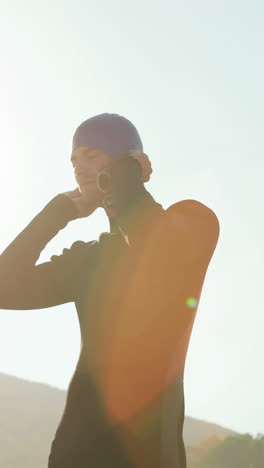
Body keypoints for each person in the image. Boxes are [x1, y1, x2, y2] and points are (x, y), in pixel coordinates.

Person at [0, 113, 220, 467]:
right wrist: (60, 211)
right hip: (74, 454)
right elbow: (3, 288)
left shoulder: (192, 222)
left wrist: (123, 180)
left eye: (91, 154)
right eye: (73, 160)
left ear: (128, 161)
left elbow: (153, 244)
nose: (79, 168)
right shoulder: (88, 261)